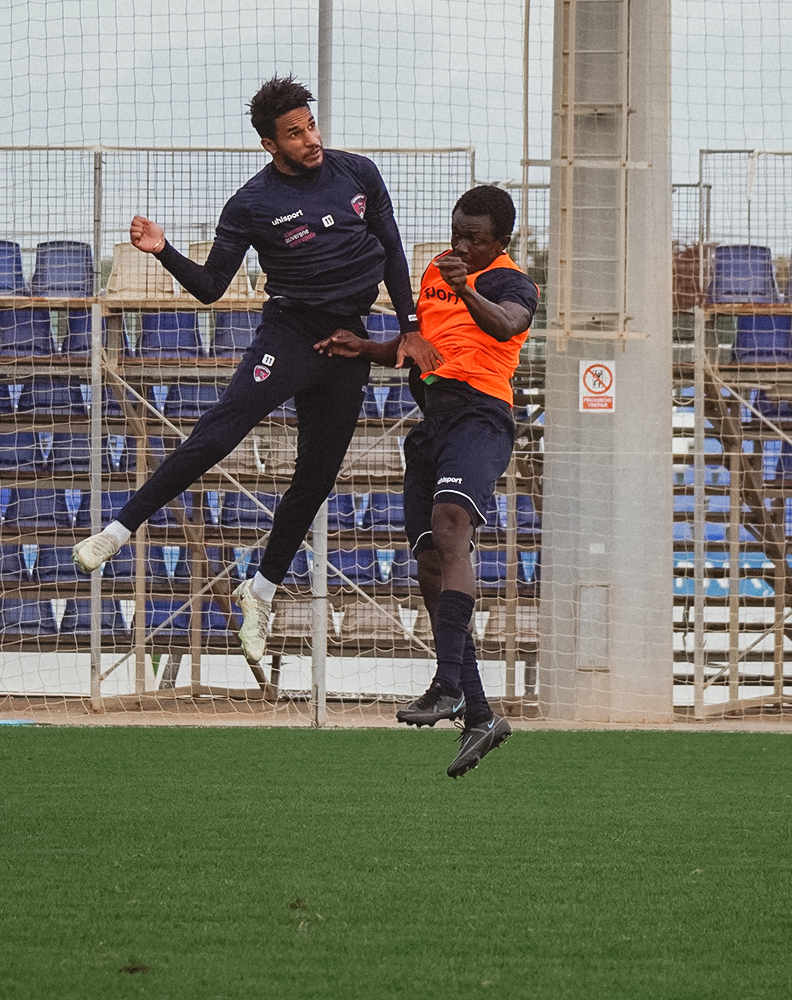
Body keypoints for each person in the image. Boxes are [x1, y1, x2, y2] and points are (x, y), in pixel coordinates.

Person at [71, 75, 434, 664]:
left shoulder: (358, 173)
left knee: (315, 479)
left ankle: (259, 590)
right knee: (217, 434)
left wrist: (411, 326)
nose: (310, 139)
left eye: (311, 125)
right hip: (290, 334)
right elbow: (213, 288)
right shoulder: (250, 204)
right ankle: (118, 531)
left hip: (349, 340)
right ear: (270, 144)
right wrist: (163, 250)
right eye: (295, 133)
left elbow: (393, 250)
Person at [315, 185, 537, 777]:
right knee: (429, 563)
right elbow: (421, 350)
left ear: (501, 242)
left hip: (481, 415)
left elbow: (504, 326)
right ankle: (481, 713)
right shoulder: (436, 275)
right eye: (456, 232)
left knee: (451, 526)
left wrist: (467, 287)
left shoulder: (512, 282)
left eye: (475, 237)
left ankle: (446, 682)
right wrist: (364, 346)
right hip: (433, 420)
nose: (461, 244)